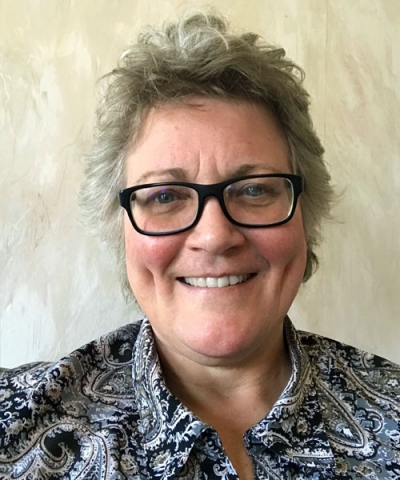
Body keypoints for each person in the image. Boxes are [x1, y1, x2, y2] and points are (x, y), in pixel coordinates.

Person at [0, 10, 399, 480]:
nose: (214, 236)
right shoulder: (16, 428)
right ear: (118, 226)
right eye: (164, 196)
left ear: (305, 214)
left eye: (254, 189)